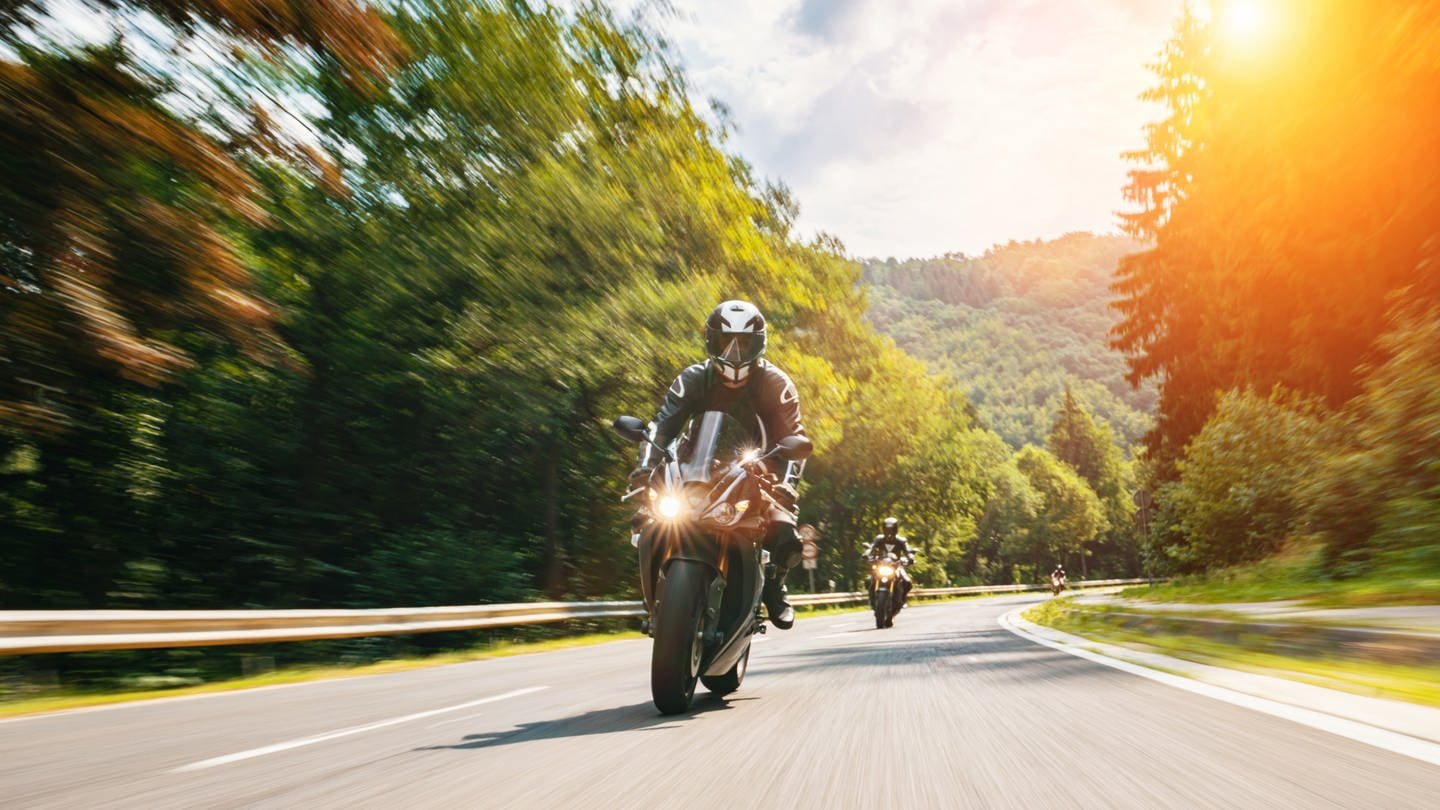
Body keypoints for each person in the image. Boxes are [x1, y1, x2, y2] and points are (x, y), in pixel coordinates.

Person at [631, 300, 807, 629]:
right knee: (648, 520)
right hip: (693, 471)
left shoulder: (776, 384)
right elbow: (661, 426)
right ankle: (657, 601)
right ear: (713, 341)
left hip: (755, 472)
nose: (736, 352)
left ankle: (774, 584)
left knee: (785, 532)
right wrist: (644, 468)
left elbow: (794, 437)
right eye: (728, 342)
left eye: (745, 342)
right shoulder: (693, 379)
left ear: (759, 344)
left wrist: (786, 485)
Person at [865, 517, 914, 604]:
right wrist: (867, 553)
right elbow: (871, 547)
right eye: (887, 530)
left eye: (891, 530)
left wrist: (910, 558)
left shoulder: (901, 541)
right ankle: (871, 598)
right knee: (868, 580)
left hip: (896, 566)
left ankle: (903, 599)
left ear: (896, 530)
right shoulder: (879, 539)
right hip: (881, 565)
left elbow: (908, 551)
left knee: (907, 582)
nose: (889, 532)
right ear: (883, 529)